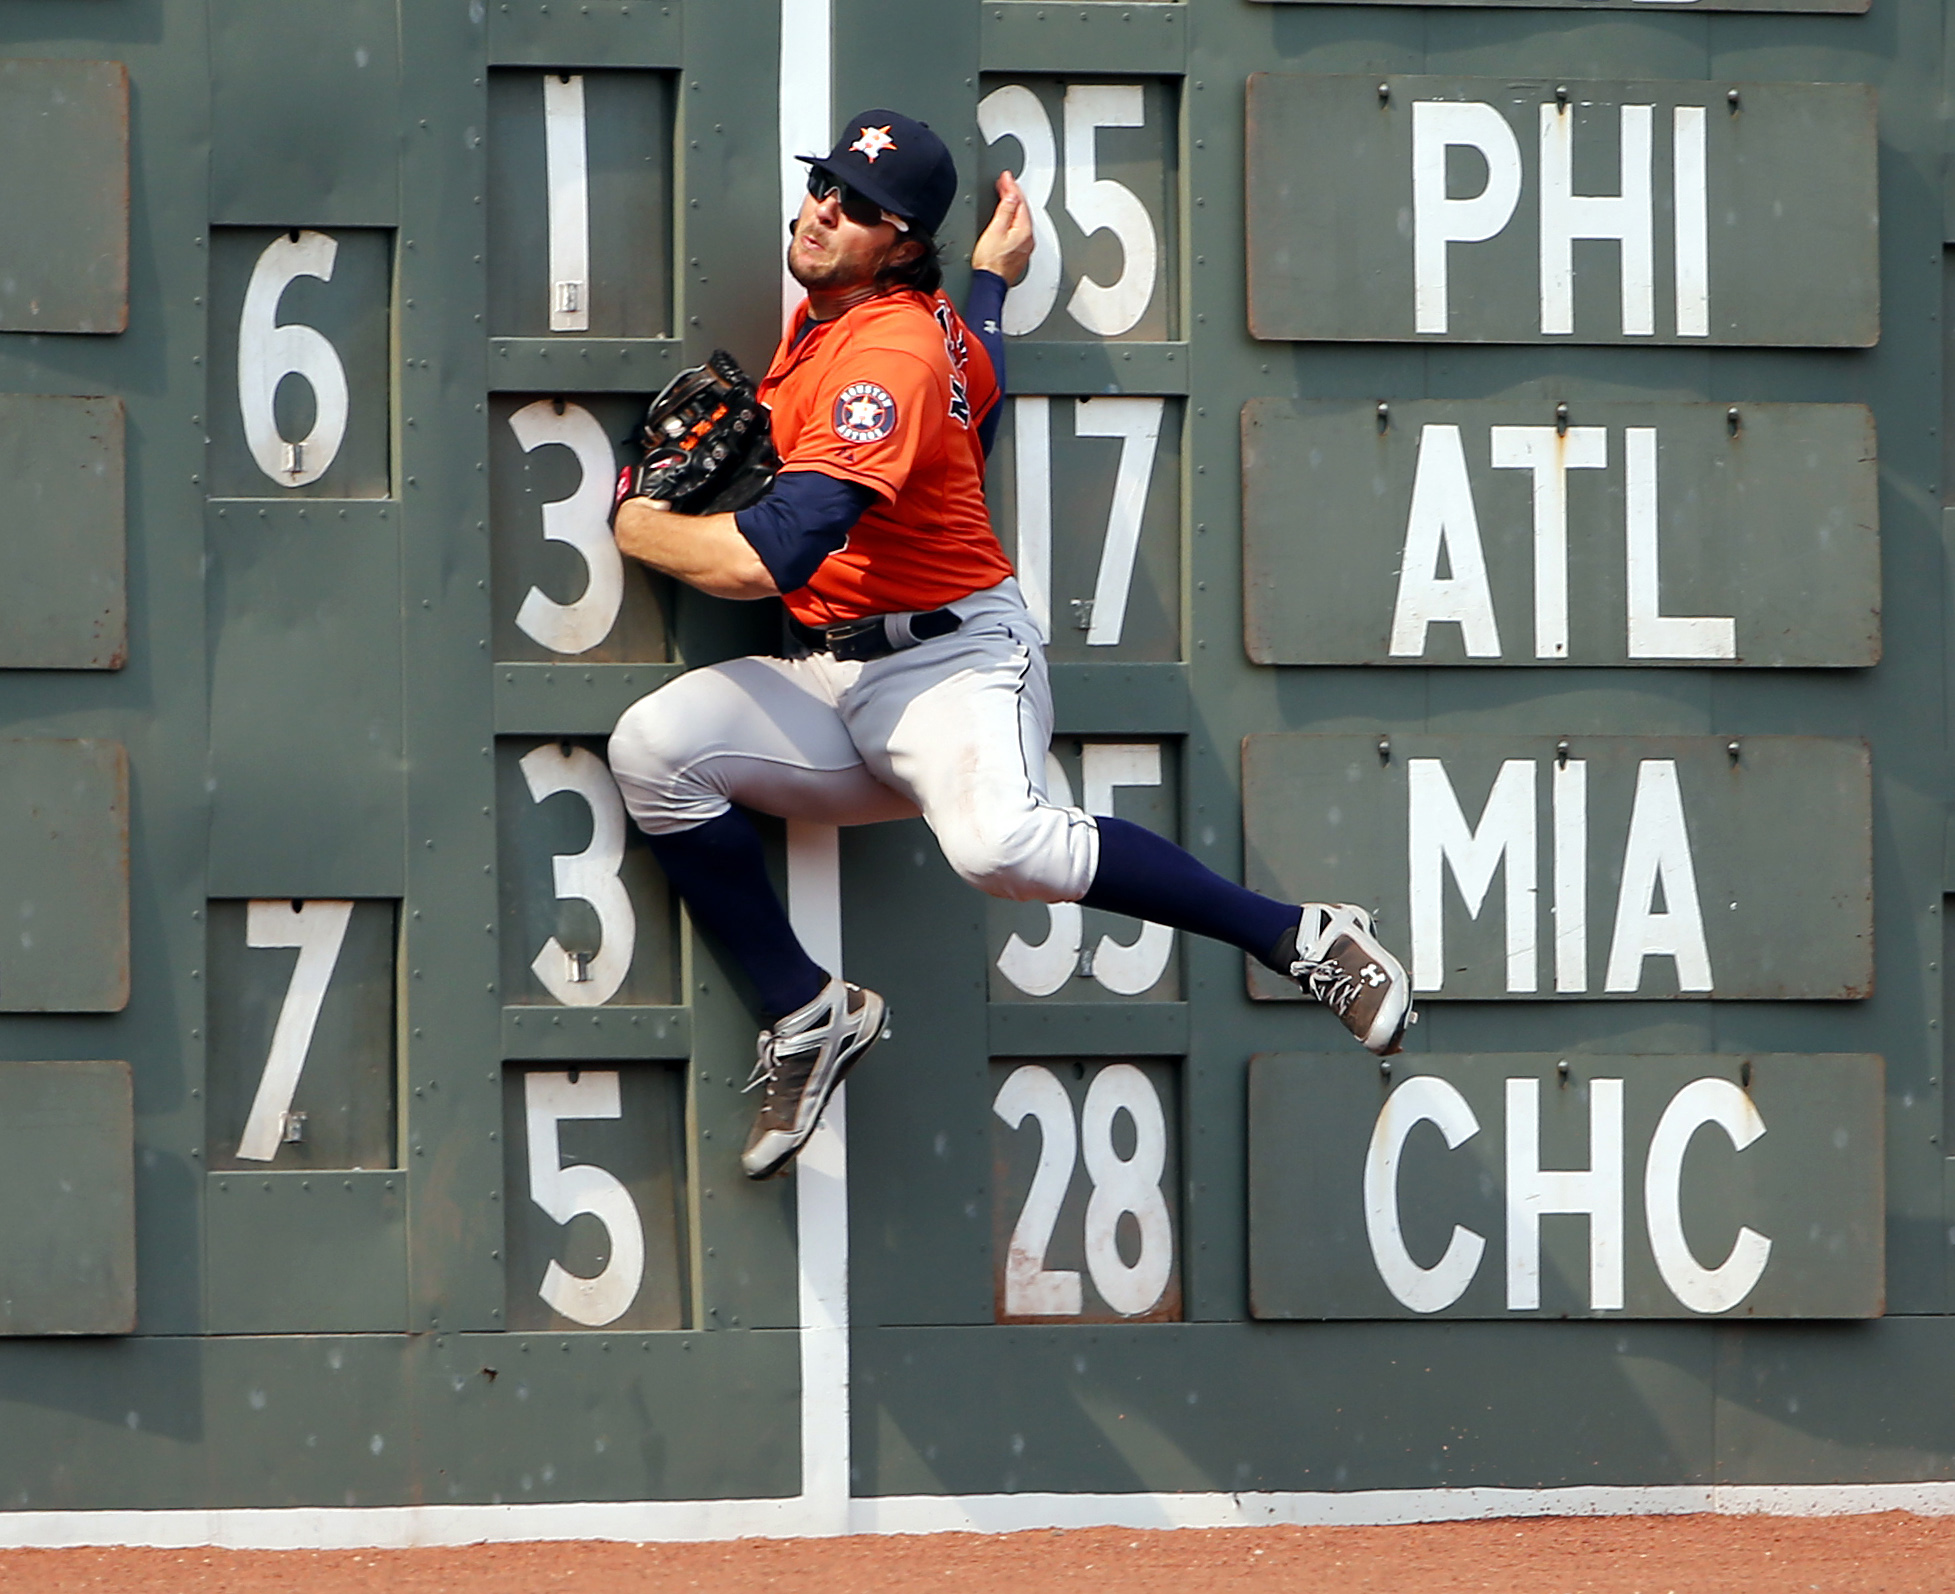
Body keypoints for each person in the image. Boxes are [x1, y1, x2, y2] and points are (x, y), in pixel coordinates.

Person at [607, 109, 1413, 1181]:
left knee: (998, 847)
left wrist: (633, 522)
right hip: (830, 673)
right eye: (822, 185)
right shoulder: (892, 318)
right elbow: (973, 384)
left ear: (898, 242)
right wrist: (986, 282)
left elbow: (777, 554)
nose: (821, 210)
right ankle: (805, 1011)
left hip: (952, 670)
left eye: (854, 205)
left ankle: (1302, 935)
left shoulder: (883, 349)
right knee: (652, 748)